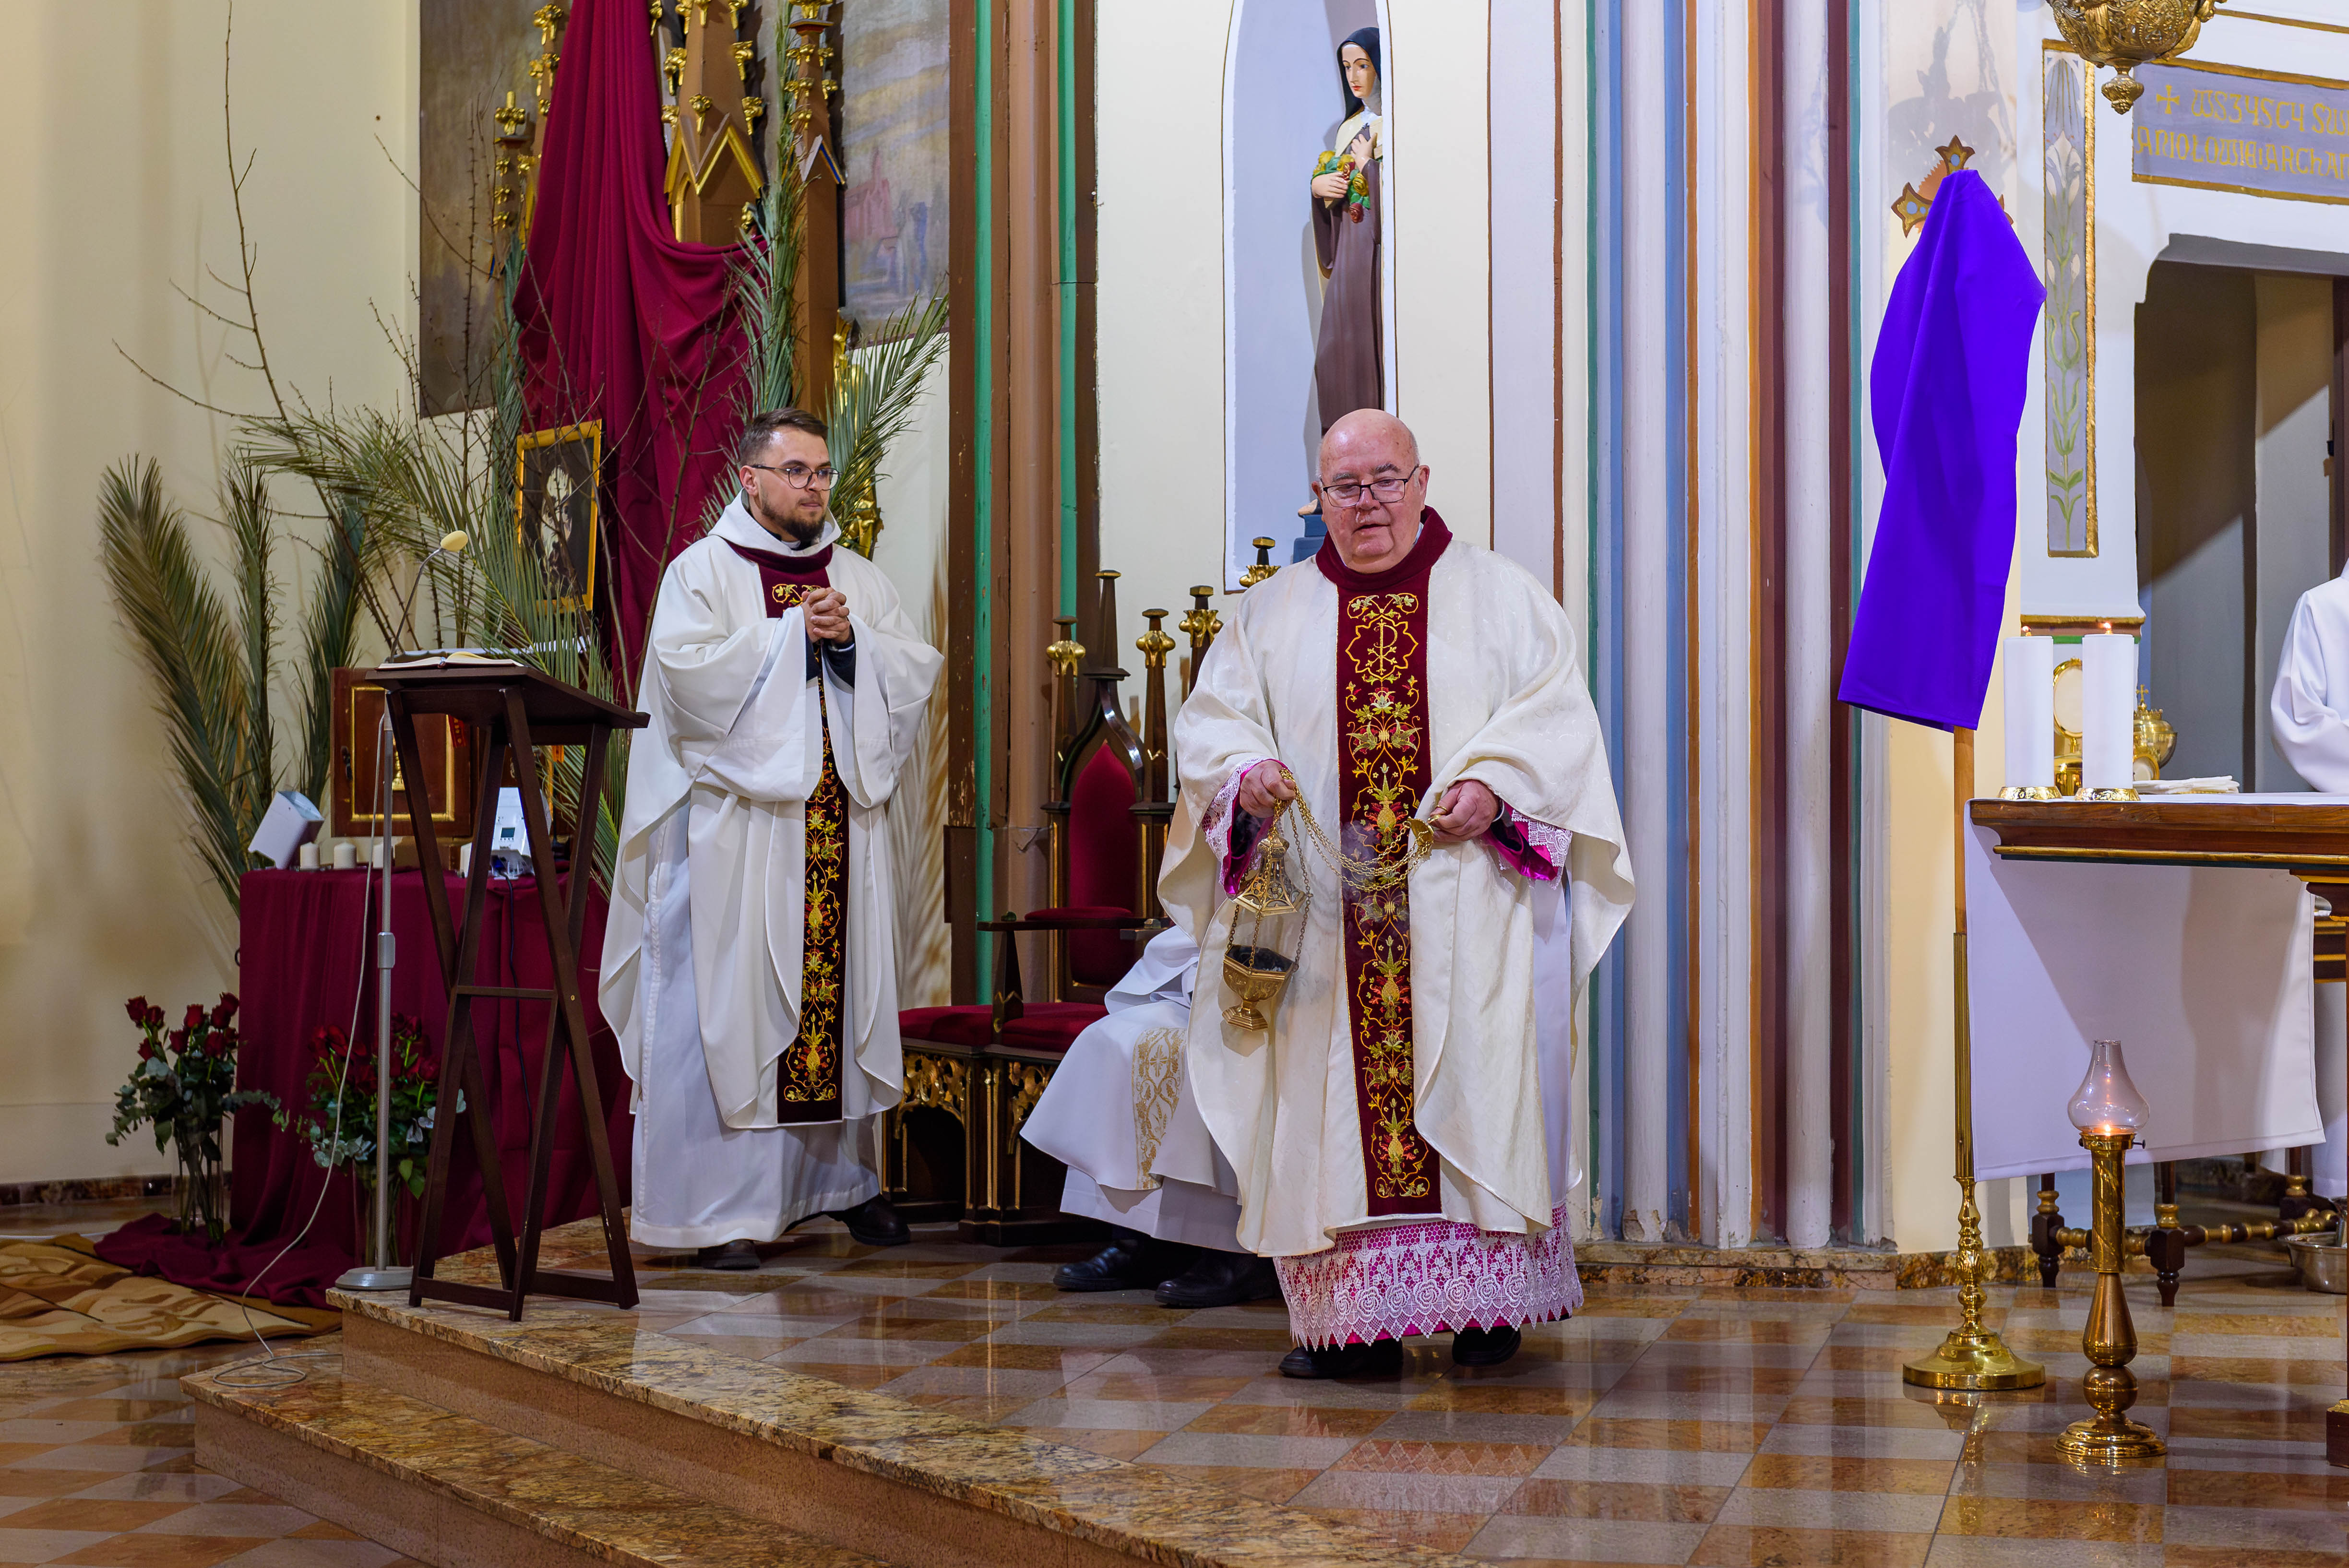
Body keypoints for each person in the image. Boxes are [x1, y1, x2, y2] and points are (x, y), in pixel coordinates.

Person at [1165, 408, 1634, 1376]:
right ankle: (1356, 1324)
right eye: (1345, 486)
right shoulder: (1267, 616)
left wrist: (1495, 786)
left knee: (1478, 1086)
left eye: (1385, 480)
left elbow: (1556, 727)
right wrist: (1248, 772)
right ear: (1318, 498)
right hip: (1324, 923)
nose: (1368, 502)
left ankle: (1487, 1307)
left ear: (1422, 482)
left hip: (1470, 914)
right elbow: (1213, 727)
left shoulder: (1503, 598)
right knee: (1333, 1113)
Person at [600, 408, 943, 1268]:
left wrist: (853, 641)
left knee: (838, 997)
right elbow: (686, 682)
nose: (814, 487)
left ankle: (842, 1186)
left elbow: (913, 672)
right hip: (737, 840)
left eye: (822, 472)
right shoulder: (701, 573)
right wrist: (794, 634)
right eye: (796, 471)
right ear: (749, 478)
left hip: (837, 830)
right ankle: (721, 1211)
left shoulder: (858, 578)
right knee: (728, 1007)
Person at [1021, 826, 1277, 1308]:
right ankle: (1138, 1236)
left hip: (1283, 973)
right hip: (1212, 957)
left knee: (1210, 1056)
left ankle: (1234, 1250)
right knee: (1114, 1039)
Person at [1299, 28, 1384, 518]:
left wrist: (1368, 169)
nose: (1354, 75)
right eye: (1347, 66)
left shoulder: (1395, 123)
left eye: (1362, 64)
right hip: (1350, 249)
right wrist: (1320, 189)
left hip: (1374, 257)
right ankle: (1334, 486)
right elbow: (1341, 193)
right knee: (1334, 358)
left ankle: (1372, 482)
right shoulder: (1350, 128)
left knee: (1367, 359)